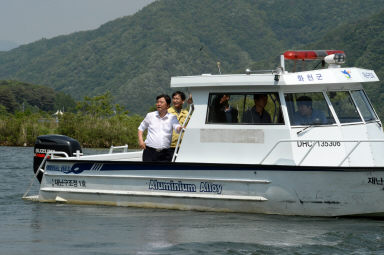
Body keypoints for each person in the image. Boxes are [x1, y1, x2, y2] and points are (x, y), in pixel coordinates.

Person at [138, 94, 182, 162]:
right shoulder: (150, 115)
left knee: (164, 172)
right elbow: (141, 128)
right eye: (157, 102)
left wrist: (181, 128)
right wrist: (141, 141)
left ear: (167, 106)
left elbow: (177, 128)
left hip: (165, 153)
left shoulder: (172, 117)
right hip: (149, 152)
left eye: (161, 102)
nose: (158, 104)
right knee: (148, 171)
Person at [168, 91, 192, 155]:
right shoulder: (167, 112)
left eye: (177, 99)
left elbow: (190, 126)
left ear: (183, 101)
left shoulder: (187, 113)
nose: (175, 101)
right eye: (174, 98)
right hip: (169, 146)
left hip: (182, 146)